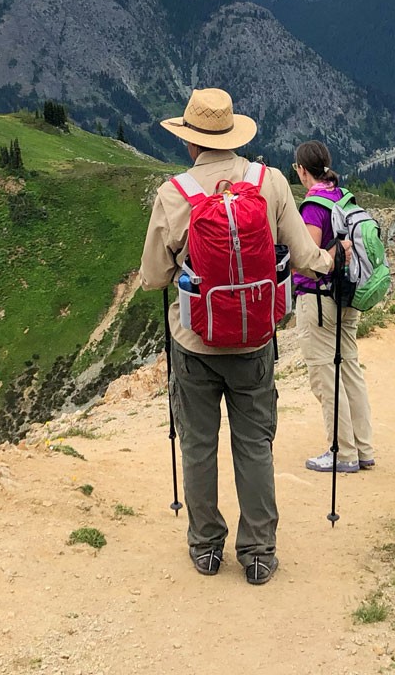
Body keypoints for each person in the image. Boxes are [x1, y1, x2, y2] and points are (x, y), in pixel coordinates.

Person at [139, 88, 337, 586]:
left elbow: (154, 277)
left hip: (194, 343)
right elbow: (305, 253)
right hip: (253, 340)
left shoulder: (173, 194)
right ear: (233, 136)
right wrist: (334, 259)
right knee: (254, 445)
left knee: (199, 445)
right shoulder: (269, 182)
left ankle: (206, 546)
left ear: (190, 143)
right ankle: (258, 552)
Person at [291, 140, 376, 476]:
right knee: (350, 369)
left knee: (325, 375)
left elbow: (309, 258)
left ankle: (341, 452)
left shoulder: (313, 206)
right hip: (347, 293)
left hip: (318, 299)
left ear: (301, 169)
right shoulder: (342, 197)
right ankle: (363, 447)